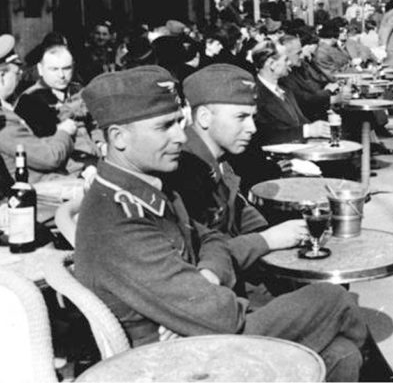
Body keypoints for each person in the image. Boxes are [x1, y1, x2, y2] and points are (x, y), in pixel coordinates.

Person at [76, 66, 366, 380]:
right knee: (334, 299)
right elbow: (223, 317)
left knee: (342, 354)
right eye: (164, 127)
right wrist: (208, 288)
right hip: (174, 362)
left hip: (197, 333)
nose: (179, 136)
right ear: (118, 137)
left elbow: (212, 241)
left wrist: (207, 275)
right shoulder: (119, 220)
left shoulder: (152, 189)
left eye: (178, 122)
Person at [171, 64, 312, 298]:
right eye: (241, 117)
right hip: (223, 291)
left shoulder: (218, 160)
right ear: (204, 117)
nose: (252, 128)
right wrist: (269, 239)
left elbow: (239, 210)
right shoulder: (187, 171)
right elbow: (202, 253)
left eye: (253, 117)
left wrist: (276, 233)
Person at [0, 35, 78, 182]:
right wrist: (64, 132)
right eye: (16, 73)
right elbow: (49, 158)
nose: (20, 76)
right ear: (2, 76)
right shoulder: (4, 119)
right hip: (39, 189)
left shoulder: (6, 111)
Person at [253, 41, 330, 145]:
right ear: (271, 64)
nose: (289, 63)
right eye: (285, 59)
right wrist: (308, 130)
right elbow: (266, 136)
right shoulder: (255, 95)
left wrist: (322, 126)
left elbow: (301, 121)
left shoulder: (285, 90)